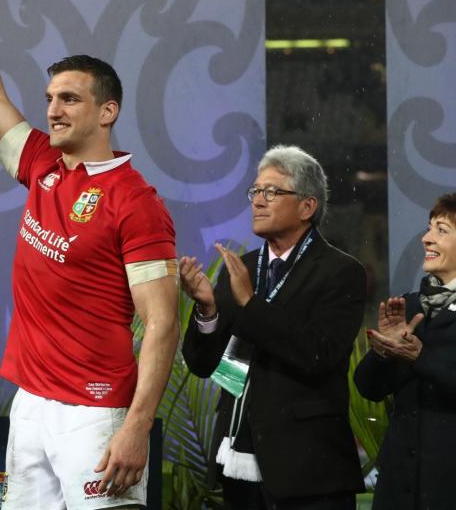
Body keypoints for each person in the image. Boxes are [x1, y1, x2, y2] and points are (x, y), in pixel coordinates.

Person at [0, 0, 179, 509]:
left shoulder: (136, 203)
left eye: (69, 98)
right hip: (31, 403)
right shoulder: (42, 163)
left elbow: (162, 324)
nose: (53, 110)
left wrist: (137, 427)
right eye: (49, 99)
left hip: (97, 410)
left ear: (107, 111)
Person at [179, 145, 365, 509]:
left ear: (307, 207)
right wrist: (207, 310)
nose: (258, 202)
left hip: (308, 472)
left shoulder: (341, 272)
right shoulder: (241, 267)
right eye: (255, 192)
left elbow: (318, 354)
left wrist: (251, 305)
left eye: (272, 192)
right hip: (239, 464)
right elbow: (202, 365)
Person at [353, 192, 456, 509]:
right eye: (429, 228)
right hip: (399, 486)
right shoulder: (409, 306)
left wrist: (419, 357)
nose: (426, 238)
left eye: (441, 230)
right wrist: (384, 350)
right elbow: (367, 387)